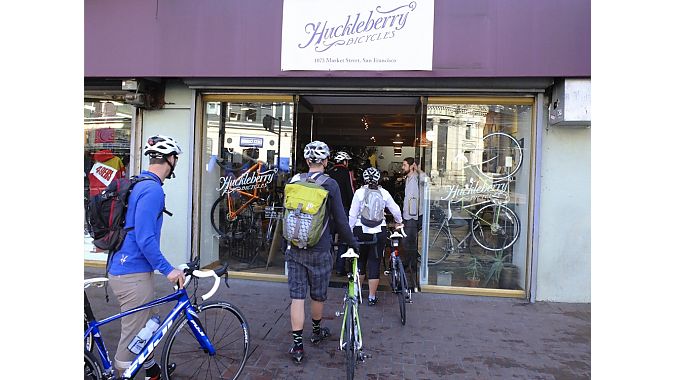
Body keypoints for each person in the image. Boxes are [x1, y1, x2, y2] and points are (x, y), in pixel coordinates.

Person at [107, 135, 186, 379]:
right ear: (170, 159)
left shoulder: (138, 182)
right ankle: (123, 373)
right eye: (176, 158)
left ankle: (151, 369)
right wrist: (169, 269)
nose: (177, 162)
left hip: (120, 266)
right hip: (132, 274)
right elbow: (145, 238)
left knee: (143, 322)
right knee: (130, 336)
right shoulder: (152, 190)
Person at [285, 141, 360, 364]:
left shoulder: (294, 181)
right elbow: (340, 219)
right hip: (320, 249)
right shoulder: (330, 184)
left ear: (307, 161)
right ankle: (316, 331)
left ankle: (297, 346)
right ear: (326, 162)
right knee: (317, 294)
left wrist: (285, 244)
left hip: (295, 247)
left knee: (297, 296)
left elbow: (287, 215)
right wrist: (352, 243)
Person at [348, 167, 403, 305]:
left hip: (360, 231)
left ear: (364, 179)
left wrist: (349, 231)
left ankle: (357, 294)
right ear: (378, 179)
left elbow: (352, 215)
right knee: (375, 263)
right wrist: (399, 222)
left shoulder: (359, 193)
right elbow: (395, 209)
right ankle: (372, 297)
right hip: (379, 232)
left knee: (360, 261)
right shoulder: (384, 193)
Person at [327, 151, 355, 276]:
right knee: (343, 238)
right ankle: (339, 267)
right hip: (342, 208)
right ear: (345, 162)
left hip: (328, 209)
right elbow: (350, 191)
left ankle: (327, 266)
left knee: (328, 237)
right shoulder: (346, 172)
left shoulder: (329, 173)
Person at [401, 157, 427, 289]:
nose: (402, 167)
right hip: (408, 213)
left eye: (405, 165)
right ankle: (409, 264)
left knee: (409, 241)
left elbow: (427, 180)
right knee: (407, 240)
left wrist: (419, 170)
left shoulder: (418, 178)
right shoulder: (409, 178)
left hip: (413, 215)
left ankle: (411, 265)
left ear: (412, 166)